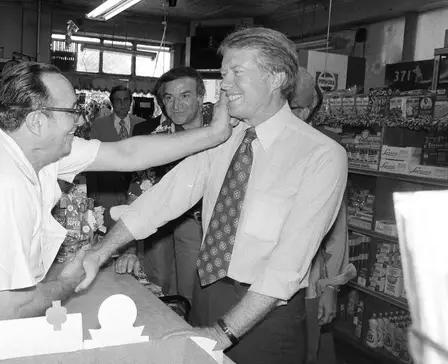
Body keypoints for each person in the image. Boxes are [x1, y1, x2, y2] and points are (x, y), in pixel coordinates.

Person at [0, 61, 234, 364]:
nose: (79, 120)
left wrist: (214, 135)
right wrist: (67, 283)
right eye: (72, 111)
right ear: (38, 120)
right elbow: (9, 309)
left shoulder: (35, 149)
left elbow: (126, 154)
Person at [77, 27, 348, 364]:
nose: (226, 85)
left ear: (276, 77)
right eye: (223, 74)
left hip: (264, 312)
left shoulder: (320, 154)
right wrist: (100, 251)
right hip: (205, 291)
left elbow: (288, 265)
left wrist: (221, 333)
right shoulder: (224, 137)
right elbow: (165, 198)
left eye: (237, 73)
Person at [114, 67, 209, 302]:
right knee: (157, 293)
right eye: (169, 97)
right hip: (159, 229)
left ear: (200, 96)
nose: (176, 105)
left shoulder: (223, 131)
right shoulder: (157, 139)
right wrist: (126, 249)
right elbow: (136, 195)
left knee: (195, 296)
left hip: (203, 228)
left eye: (185, 96)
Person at [290, 67, 356, 364]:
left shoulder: (325, 155)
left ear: (303, 111)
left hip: (306, 283)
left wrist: (330, 287)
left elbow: (335, 231)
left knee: (303, 351)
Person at [87, 85, 145, 229]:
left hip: (135, 191)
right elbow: (92, 159)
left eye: (126, 100)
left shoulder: (142, 124)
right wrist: (93, 195)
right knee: (107, 230)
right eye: (118, 100)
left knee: (133, 231)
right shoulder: (99, 125)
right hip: (107, 190)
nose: (122, 104)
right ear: (112, 103)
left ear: (131, 102)